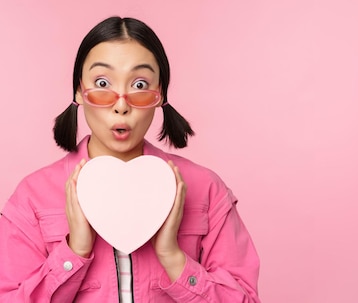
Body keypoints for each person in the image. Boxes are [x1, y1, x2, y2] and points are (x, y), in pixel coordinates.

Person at [0, 16, 260, 302]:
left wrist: (173, 258)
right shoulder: (32, 198)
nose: (121, 105)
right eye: (102, 82)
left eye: (139, 84)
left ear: (159, 94)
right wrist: (74, 252)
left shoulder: (206, 189)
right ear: (78, 90)